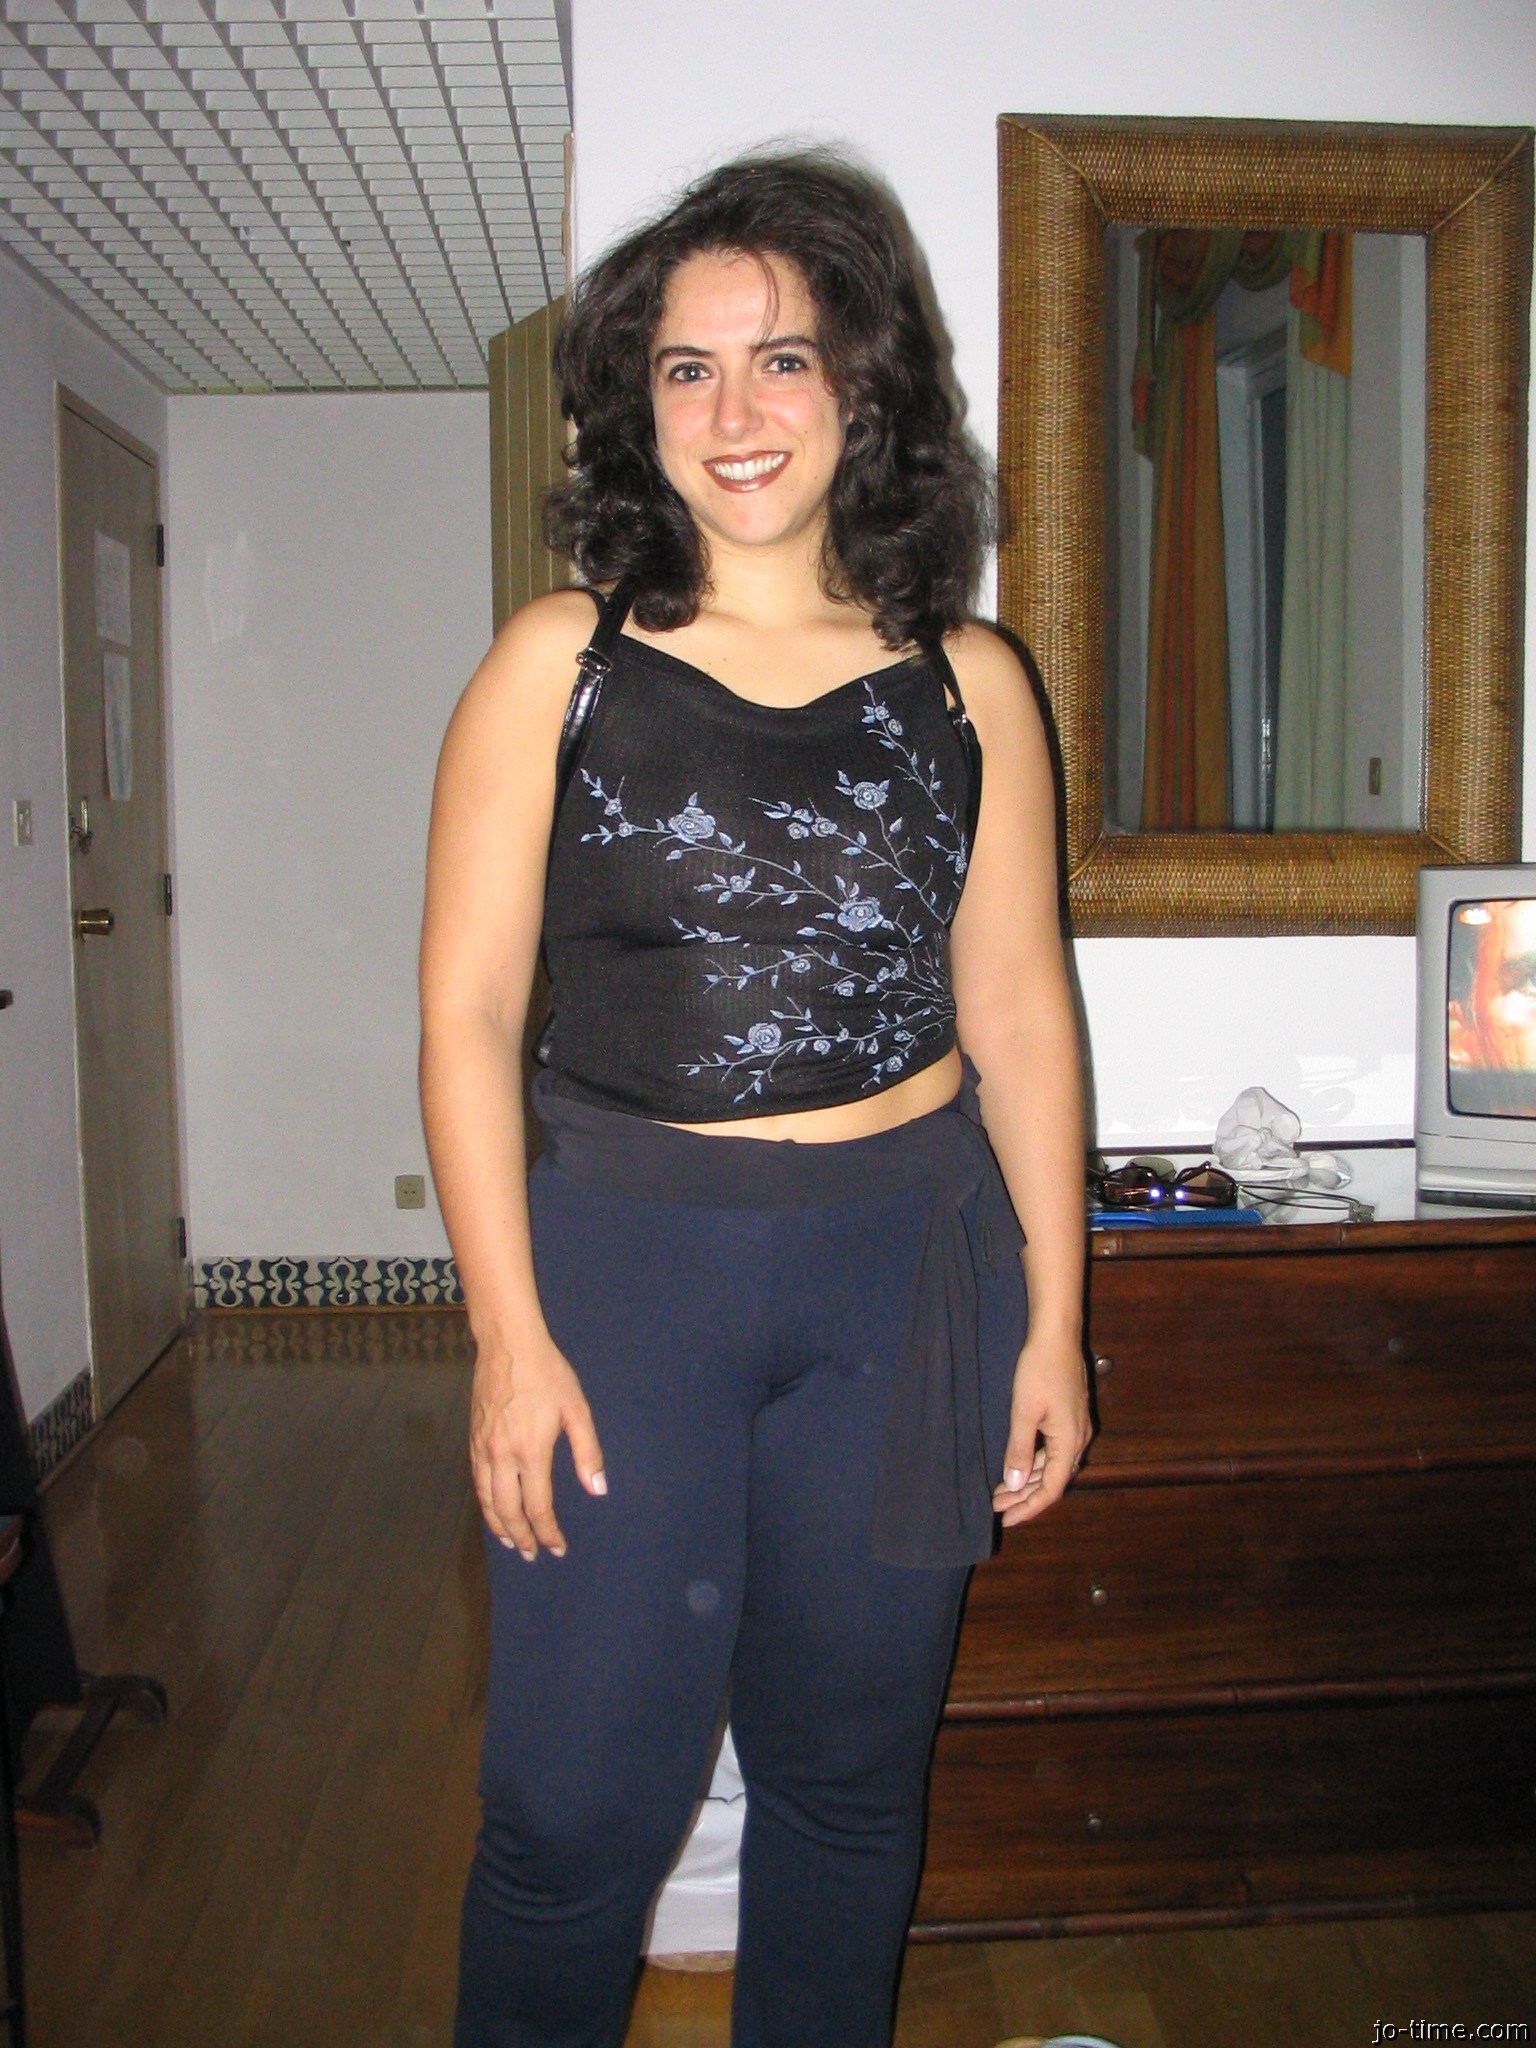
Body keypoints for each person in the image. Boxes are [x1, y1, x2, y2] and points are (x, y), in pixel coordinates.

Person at [419, 152, 1091, 2048]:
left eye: (784, 359)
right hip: (626, 1274)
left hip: (907, 1270)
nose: (737, 412)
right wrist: (506, 1340)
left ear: (864, 389)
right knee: (571, 1812)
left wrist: (1057, 1317)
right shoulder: (559, 664)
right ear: (636, 406)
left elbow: (1020, 1010)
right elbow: (466, 1015)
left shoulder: (970, 682)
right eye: (688, 368)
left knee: (850, 1789)